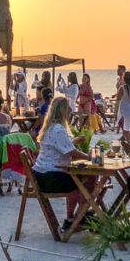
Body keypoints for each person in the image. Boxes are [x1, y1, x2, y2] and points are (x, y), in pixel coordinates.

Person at [31, 97, 96, 233]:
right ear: (63, 112)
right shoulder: (58, 129)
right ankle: (80, 215)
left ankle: (75, 217)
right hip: (50, 177)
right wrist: (89, 157)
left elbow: (60, 146)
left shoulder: (49, 127)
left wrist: (74, 141)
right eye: (68, 110)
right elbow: (70, 151)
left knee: (79, 178)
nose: (70, 113)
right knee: (89, 178)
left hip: (41, 175)